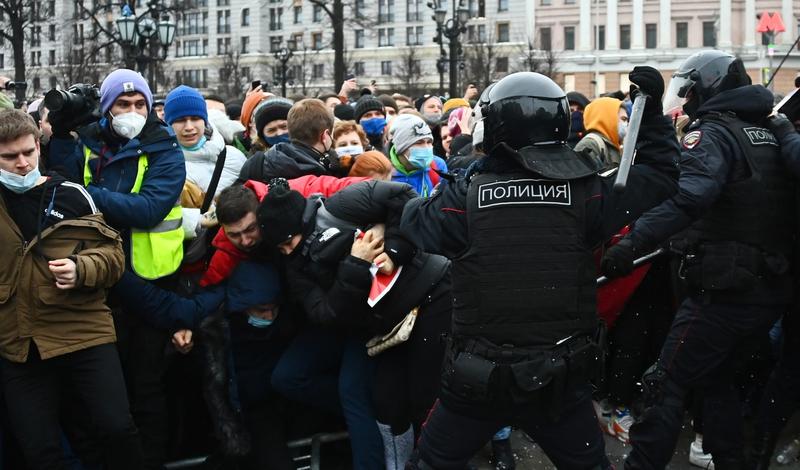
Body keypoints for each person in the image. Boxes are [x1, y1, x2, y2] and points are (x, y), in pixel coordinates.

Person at [401, 68, 679, 469]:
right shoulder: (588, 195)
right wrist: (649, 113)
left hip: (479, 382)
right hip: (558, 381)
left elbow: (414, 220)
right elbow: (661, 175)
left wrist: (468, 177)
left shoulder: (465, 199)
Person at [600, 51, 796, 469]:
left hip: (723, 295)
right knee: (715, 382)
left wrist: (631, 243)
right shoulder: (768, 132)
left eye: (689, 91)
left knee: (663, 383)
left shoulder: (714, 134)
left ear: (708, 88)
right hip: (766, 290)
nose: (686, 101)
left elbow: (689, 196)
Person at [258, 179, 450, 470]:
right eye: (279, 247)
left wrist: (394, 247)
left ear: (302, 223)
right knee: (297, 379)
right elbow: (327, 314)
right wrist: (356, 264)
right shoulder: (294, 264)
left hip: (410, 304)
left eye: (289, 242)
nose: (286, 251)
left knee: (370, 394)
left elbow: (403, 198)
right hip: (357, 323)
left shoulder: (343, 206)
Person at [48, 68, 186, 470]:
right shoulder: (88, 143)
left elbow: (148, 208)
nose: (132, 111)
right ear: (106, 109)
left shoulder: (164, 147)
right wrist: (58, 135)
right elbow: (57, 181)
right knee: (97, 395)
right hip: (93, 285)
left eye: (139, 104)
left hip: (147, 284)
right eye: (123, 104)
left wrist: (86, 194)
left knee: (146, 389)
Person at [0, 108, 141, 469]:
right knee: (39, 449)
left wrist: (82, 269)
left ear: (38, 147)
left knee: (116, 429)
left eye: (28, 153)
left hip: (82, 328)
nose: (21, 163)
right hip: (19, 339)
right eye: (9, 156)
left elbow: (113, 256)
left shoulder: (70, 194)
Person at [163, 85, 247, 212]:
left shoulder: (235, 157)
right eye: (180, 120)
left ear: (205, 120)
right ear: (168, 125)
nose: (189, 127)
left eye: (195, 118)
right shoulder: (160, 165)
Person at [239, 98, 348, 182]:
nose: (279, 133)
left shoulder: (331, 161)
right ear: (262, 136)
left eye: (283, 127)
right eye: (271, 130)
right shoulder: (256, 165)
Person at [387, 114, 448, 198]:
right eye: (419, 143)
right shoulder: (384, 170)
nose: (426, 147)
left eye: (429, 142)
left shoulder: (438, 166)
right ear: (401, 146)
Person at [573, 96, 626, 169]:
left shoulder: (615, 145)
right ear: (608, 118)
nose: (626, 123)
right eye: (623, 119)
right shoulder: (589, 145)